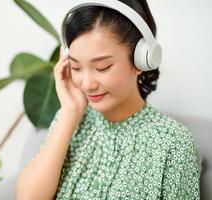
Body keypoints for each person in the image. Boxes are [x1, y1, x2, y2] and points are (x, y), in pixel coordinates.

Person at [16, 0, 200, 199]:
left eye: (102, 67)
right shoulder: (70, 120)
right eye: (76, 67)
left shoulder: (173, 143)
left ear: (142, 59)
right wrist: (70, 113)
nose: (86, 84)